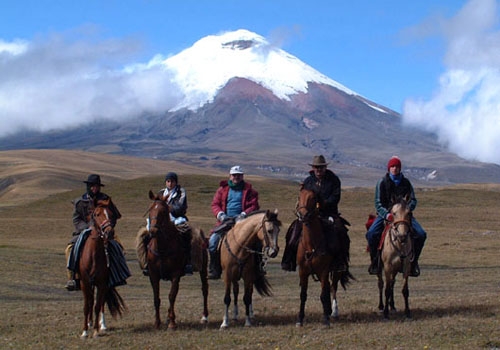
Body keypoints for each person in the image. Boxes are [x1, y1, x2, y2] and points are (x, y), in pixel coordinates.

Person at [281, 155, 350, 272]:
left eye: (321, 167)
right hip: (309, 215)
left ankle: (340, 262)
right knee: (293, 231)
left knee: (341, 231)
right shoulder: (308, 181)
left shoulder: (334, 180)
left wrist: (323, 203)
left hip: (328, 213)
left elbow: (335, 197)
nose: (318, 170)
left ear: (325, 167)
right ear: (313, 168)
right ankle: (289, 260)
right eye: (316, 167)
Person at [365, 156, 427, 277]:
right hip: (386, 215)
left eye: (397, 166)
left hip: (403, 216)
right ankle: (375, 262)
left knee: (421, 234)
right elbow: (378, 203)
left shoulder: (406, 183)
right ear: (389, 168)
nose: (395, 169)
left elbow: (413, 200)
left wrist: (407, 210)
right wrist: (386, 214)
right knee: (371, 234)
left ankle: (413, 263)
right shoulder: (382, 182)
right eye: (392, 166)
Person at [65, 174, 122, 291]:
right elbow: (76, 219)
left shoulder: (106, 200)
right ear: (88, 186)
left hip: (105, 231)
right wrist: (87, 228)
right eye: (92, 186)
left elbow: (115, 216)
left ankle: (118, 274)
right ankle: (73, 277)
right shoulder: (80, 202)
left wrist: (108, 226)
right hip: (84, 232)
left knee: (118, 248)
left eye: (96, 186)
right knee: (70, 249)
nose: (94, 188)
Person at [208, 165, 260, 279]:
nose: (236, 177)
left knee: (257, 243)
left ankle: (258, 268)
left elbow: (254, 205)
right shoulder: (222, 190)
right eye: (234, 175)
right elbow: (215, 204)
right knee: (212, 243)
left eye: (239, 175)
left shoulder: (249, 191)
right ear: (230, 176)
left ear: (242, 176)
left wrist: (244, 214)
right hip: (225, 221)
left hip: (243, 222)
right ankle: (215, 268)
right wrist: (220, 214)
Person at [144, 172, 192, 276]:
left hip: (177, 219)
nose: (170, 184)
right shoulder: (161, 192)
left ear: (176, 182)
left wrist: (167, 209)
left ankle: (188, 262)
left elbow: (181, 207)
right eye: (168, 181)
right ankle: (147, 262)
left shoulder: (181, 192)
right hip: (162, 221)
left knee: (186, 234)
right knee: (145, 236)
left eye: (172, 181)